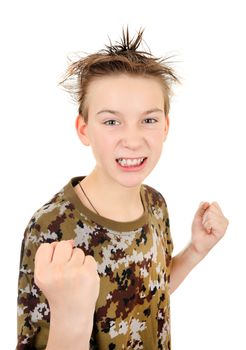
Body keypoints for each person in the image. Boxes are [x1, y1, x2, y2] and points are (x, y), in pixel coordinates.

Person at [16, 26, 229, 350]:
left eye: (148, 120)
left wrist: (197, 250)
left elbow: (145, 297)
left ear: (166, 127)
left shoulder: (155, 204)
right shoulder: (52, 228)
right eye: (112, 121)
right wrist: (70, 319)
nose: (132, 139)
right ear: (84, 129)